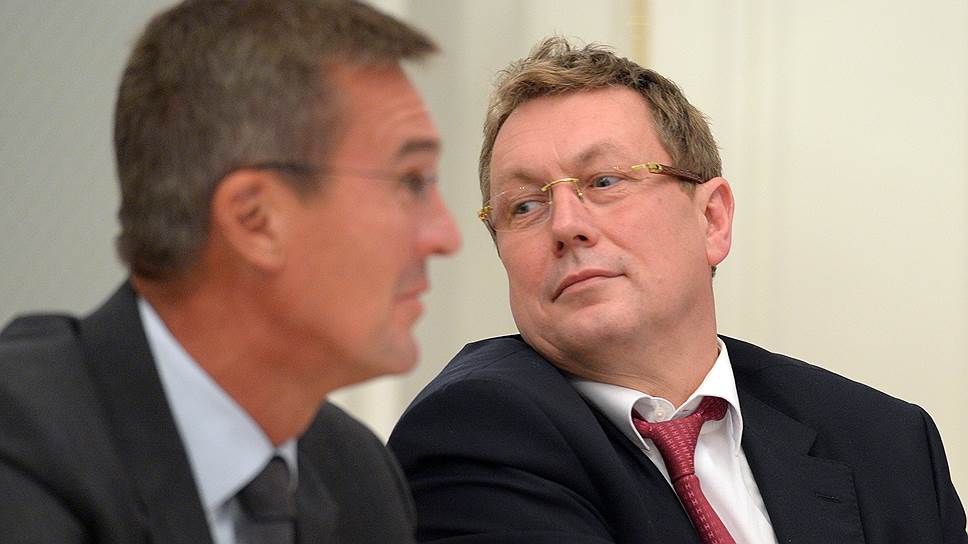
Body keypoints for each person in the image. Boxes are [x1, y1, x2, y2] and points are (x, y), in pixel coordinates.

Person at [388, 37, 966, 543]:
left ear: (712, 219)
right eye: (524, 206)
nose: (565, 224)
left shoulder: (885, 440)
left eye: (604, 181)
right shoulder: (477, 429)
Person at [0, 0, 460, 542]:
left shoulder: (359, 477)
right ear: (255, 219)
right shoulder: (21, 444)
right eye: (411, 181)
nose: (446, 236)